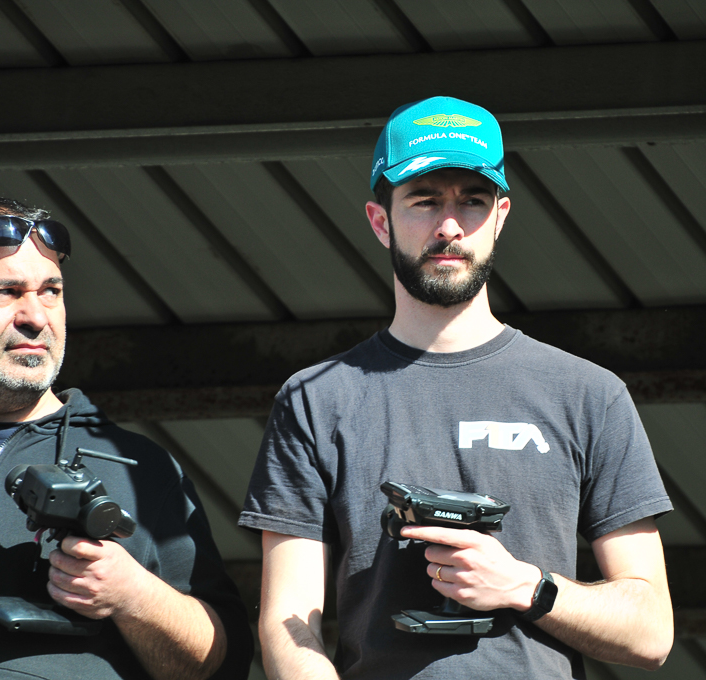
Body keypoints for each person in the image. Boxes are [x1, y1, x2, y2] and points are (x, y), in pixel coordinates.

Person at [240, 96, 674, 679]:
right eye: (424, 201)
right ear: (380, 221)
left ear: (500, 217)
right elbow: (288, 624)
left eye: (472, 201)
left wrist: (525, 586)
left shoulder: (588, 395)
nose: (449, 226)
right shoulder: (317, 399)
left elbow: (651, 632)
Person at [0, 197, 253, 679]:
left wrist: (132, 595)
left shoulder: (137, 467)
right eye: (6, 292)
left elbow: (222, 662)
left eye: (51, 291)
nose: (36, 316)